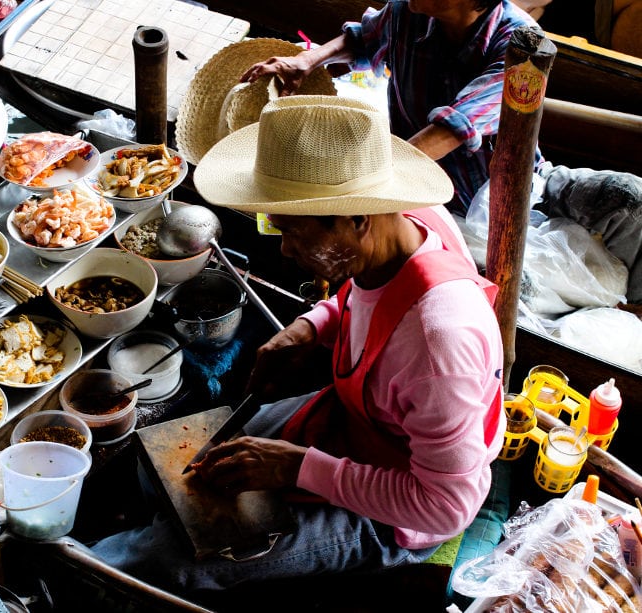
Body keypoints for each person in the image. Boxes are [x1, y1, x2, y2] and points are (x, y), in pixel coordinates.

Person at [86, 95, 505, 595]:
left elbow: (445, 505)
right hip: (356, 425)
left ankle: (66, 583)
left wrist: (293, 467)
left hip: (399, 510)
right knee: (163, 467)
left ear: (357, 219)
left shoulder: (439, 345)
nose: (284, 249)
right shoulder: (405, 222)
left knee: (160, 561)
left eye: (293, 232)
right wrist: (312, 326)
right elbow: (366, 295)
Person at [240, 0, 642, 308]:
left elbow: (455, 127)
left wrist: (368, 185)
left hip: (518, 187)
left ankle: (635, 306)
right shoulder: (407, 12)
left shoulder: (520, 46)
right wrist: (308, 59)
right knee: (511, 298)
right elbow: (362, 38)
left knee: (630, 198)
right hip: (436, 202)